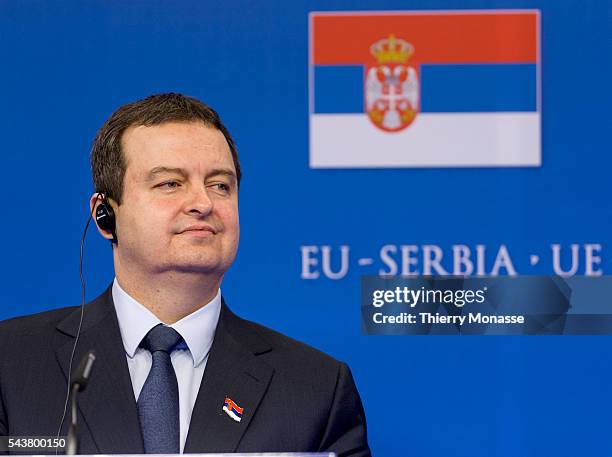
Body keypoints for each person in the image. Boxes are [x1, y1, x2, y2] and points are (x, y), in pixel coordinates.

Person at [0, 93, 371, 456]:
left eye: (220, 185)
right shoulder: (11, 363)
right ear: (105, 214)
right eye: (170, 183)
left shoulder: (316, 388)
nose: (203, 203)